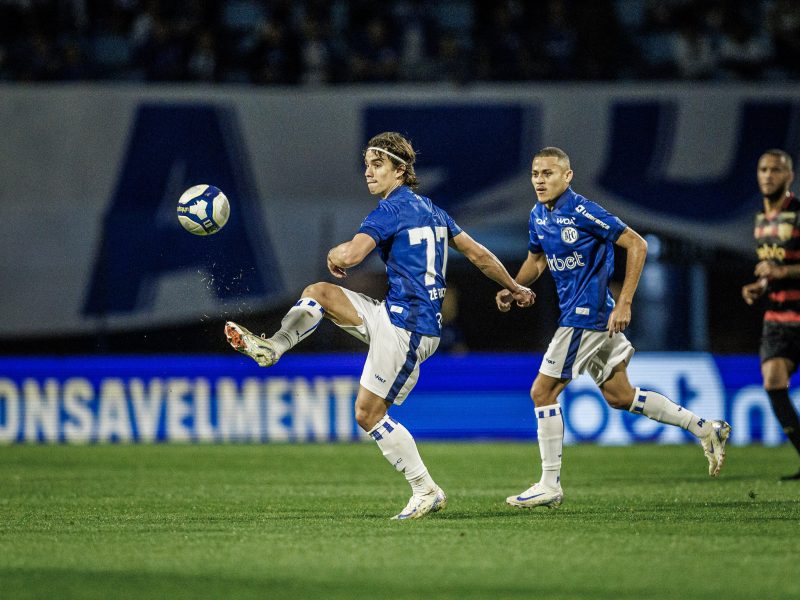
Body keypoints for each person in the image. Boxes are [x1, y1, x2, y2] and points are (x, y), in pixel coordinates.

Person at [225, 132, 534, 519]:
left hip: (410, 327)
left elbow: (352, 255)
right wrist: (513, 286)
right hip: (395, 314)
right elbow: (478, 254)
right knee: (320, 292)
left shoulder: (389, 211)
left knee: (368, 414)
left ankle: (426, 490)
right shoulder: (434, 211)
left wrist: (335, 252)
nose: (368, 172)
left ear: (400, 170)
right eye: (367, 164)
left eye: (377, 164)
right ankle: (275, 346)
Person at [496, 146, 731, 509]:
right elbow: (536, 260)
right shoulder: (538, 215)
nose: (540, 180)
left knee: (542, 393)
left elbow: (636, 244)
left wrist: (625, 301)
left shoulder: (583, 210)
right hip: (587, 316)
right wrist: (514, 288)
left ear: (567, 176)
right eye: (535, 174)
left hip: (586, 315)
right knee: (621, 396)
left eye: (548, 173)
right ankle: (704, 427)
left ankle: (549, 484)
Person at [741, 149, 800, 481]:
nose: (768, 175)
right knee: (774, 382)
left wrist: (782, 272)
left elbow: (783, 267)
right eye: (763, 169)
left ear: (789, 176)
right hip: (778, 318)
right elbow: (772, 269)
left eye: (776, 170)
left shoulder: (798, 215)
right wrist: (760, 285)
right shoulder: (761, 220)